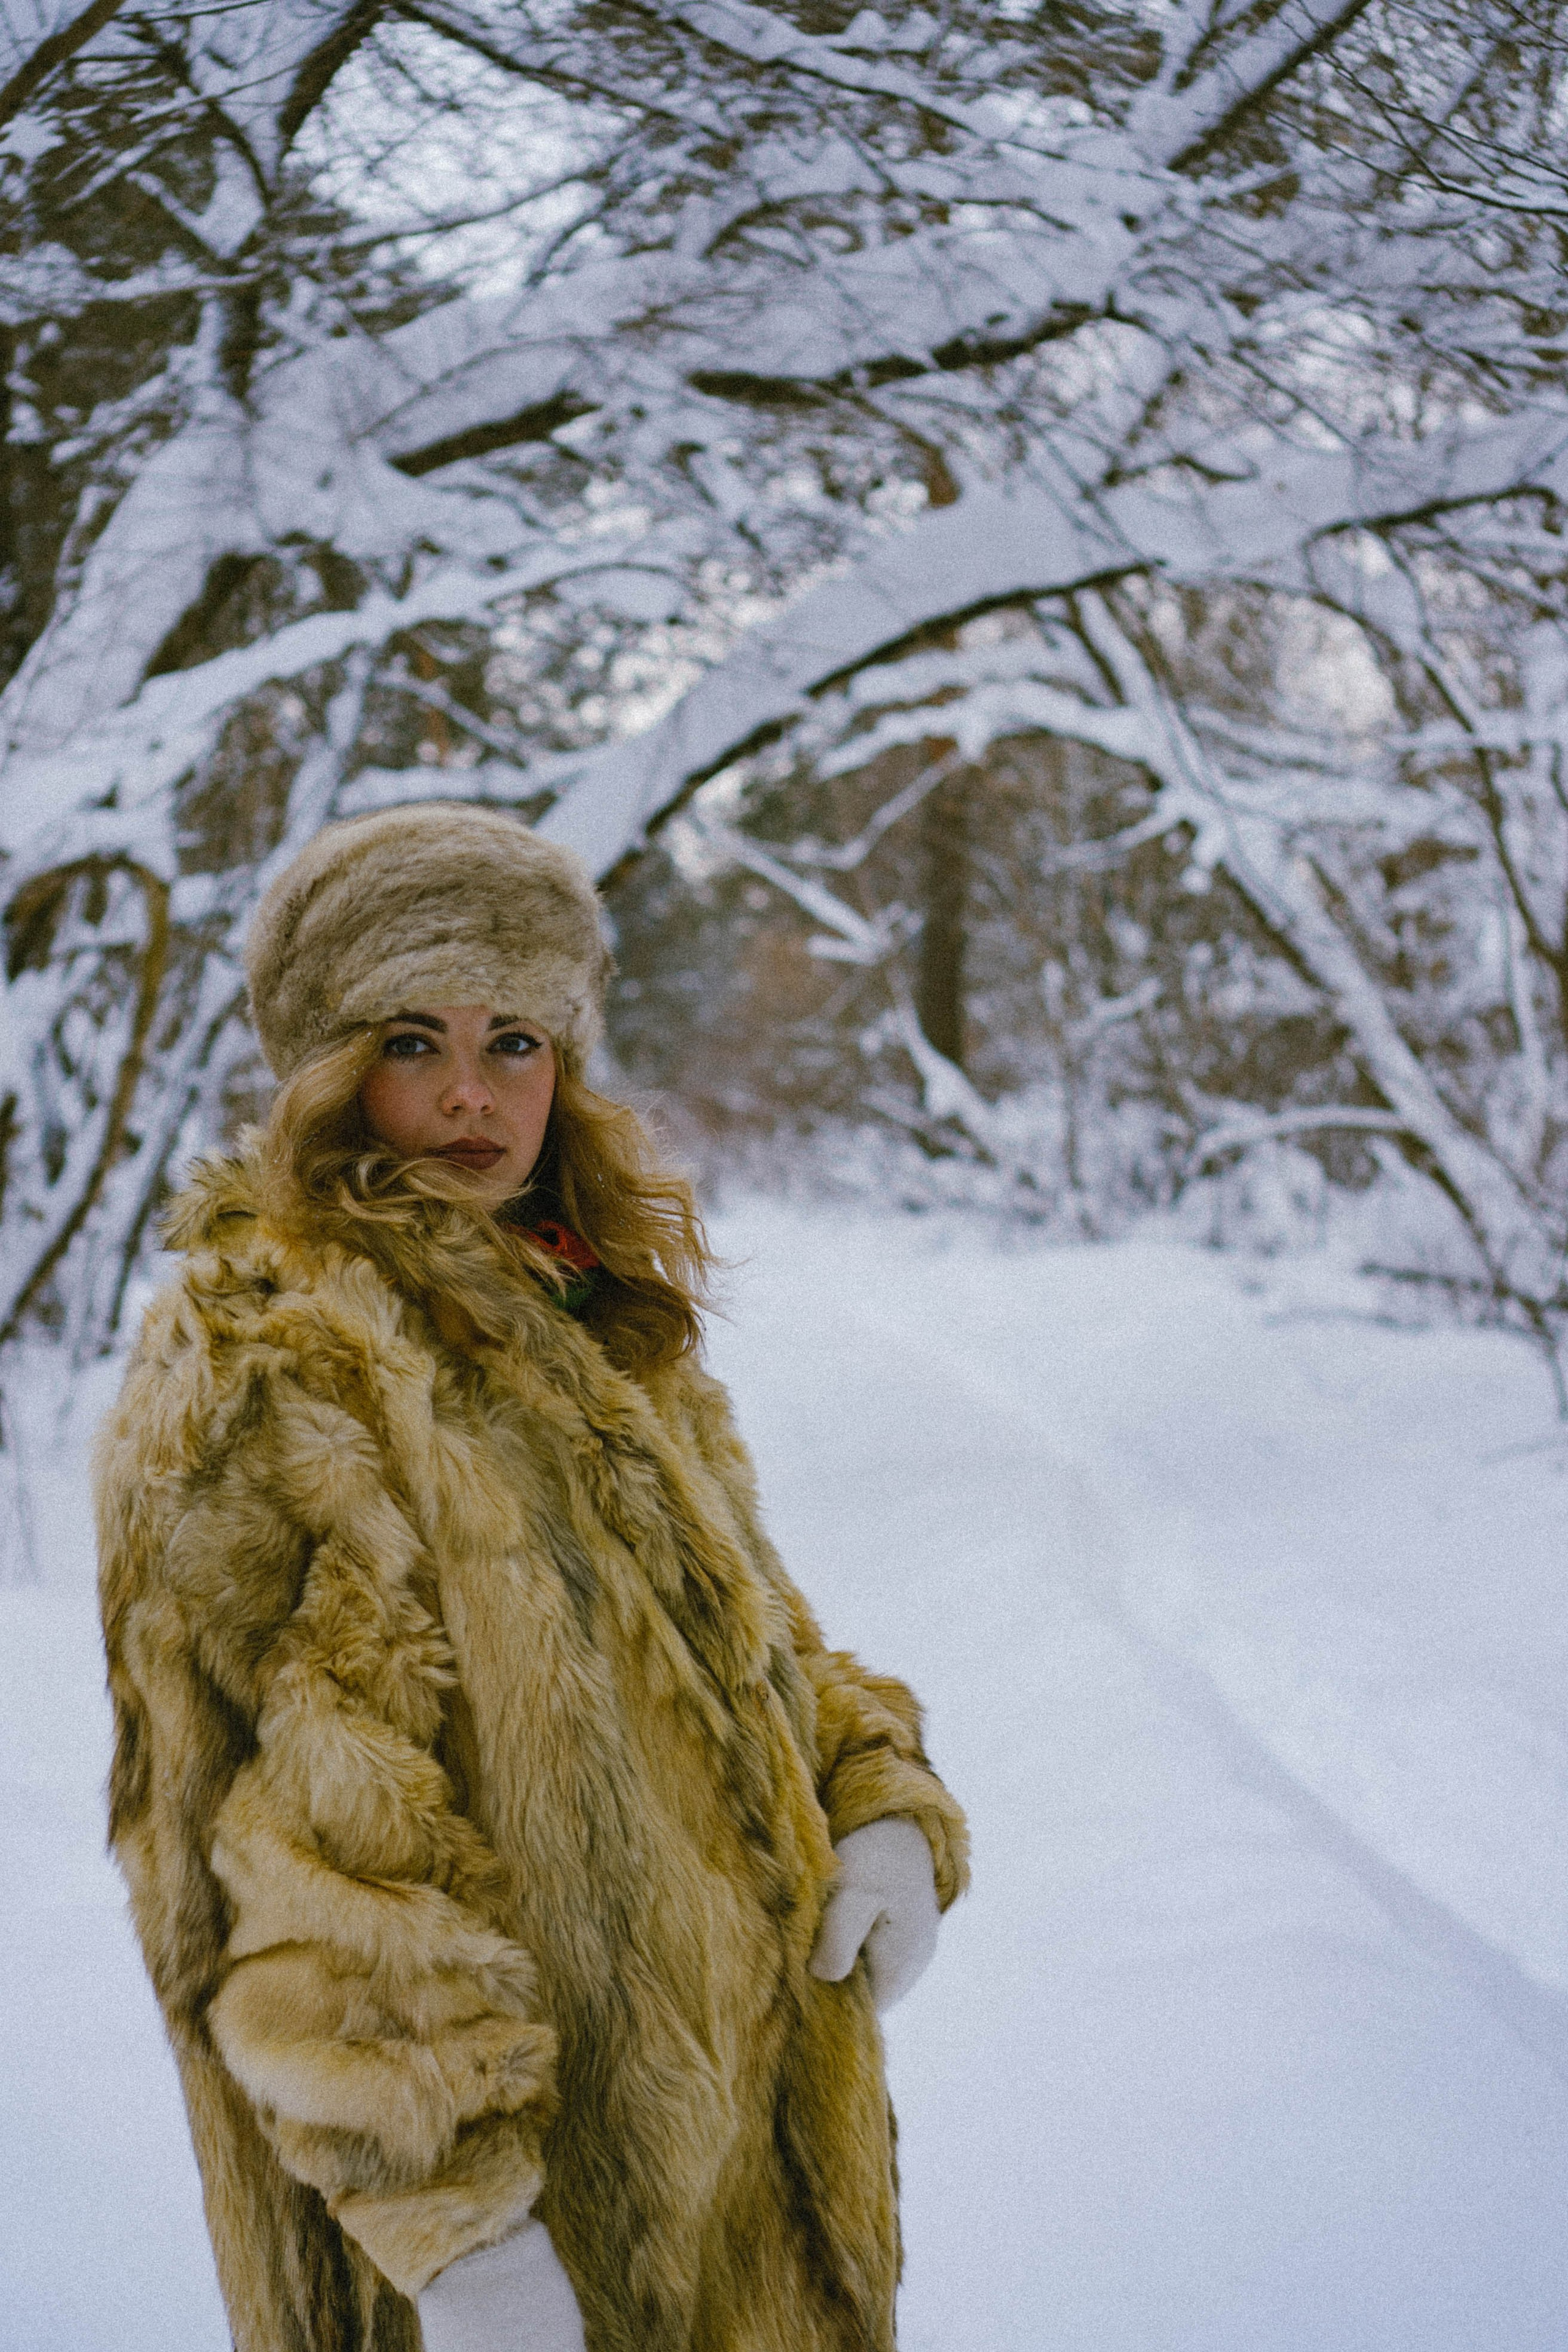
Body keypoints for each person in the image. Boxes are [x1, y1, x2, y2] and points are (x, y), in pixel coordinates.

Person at [95, 802, 969, 2352]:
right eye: (412, 1038)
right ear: (325, 1064)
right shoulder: (274, 1358)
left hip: (735, 2191)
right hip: (505, 2242)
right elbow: (303, 1848)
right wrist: (461, 2237)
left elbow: (756, 1645)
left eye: (515, 1040)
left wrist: (881, 1801)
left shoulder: (586, 1316)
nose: (468, 1096)